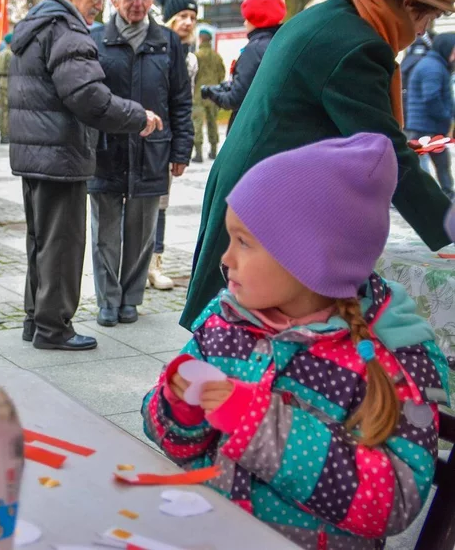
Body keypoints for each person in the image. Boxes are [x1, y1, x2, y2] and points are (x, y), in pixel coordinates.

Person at [144, 133, 448, 549]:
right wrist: (178, 408)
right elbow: (173, 444)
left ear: (310, 258)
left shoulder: (393, 358)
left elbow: (392, 501)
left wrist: (257, 423)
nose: (225, 258)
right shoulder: (227, 320)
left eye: (244, 242)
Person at [182, 0, 455, 330]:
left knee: (235, 325)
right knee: (245, 328)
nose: (424, 30)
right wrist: (448, 229)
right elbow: (386, 154)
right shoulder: (358, 45)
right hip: (269, 203)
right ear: (408, 2)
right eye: (431, 17)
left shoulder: (334, 14)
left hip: (254, 183)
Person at [9, 0, 161, 351]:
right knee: (61, 246)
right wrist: (136, 116)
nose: (97, 6)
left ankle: (36, 320)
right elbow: (88, 96)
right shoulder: (66, 28)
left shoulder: (37, 24)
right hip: (60, 154)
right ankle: (54, 328)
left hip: (37, 153)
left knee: (41, 241)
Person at [89, 0, 193, 327]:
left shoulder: (169, 42)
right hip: (106, 151)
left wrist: (182, 149)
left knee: (142, 230)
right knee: (105, 232)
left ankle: (130, 298)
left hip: (153, 151)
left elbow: (181, 99)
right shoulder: (96, 39)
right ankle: (108, 300)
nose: (137, 2)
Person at [146, 0, 198, 291]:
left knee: (161, 204)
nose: (188, 22)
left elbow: (185, 105)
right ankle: (137, 265)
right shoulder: (157, 47)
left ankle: (155, 263)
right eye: (181, 16)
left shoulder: (191, 58)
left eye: (192, 16)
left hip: (169, 139)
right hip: (146, 133)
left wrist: (182, 148)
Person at [200, 0, 285, 130]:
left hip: (253, 130)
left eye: (247, 18)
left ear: (255, 19)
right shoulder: (282, 45)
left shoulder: (254, 50)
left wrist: (211, 93)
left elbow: (236, 99)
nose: (245, 23)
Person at [406, 33, 455, 198]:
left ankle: (446, 193)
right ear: (446, 48)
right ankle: (421, 195)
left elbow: (444, 98)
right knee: (419, 165)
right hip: (425, 127)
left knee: (441, 164)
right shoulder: (432, 67)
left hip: (430, 126)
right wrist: (446, 116)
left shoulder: (437, 65)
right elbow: (431, 98)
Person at [193, 29, 225, 160]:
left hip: (198, 94)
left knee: (197, 123)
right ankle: (213, 151)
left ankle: (199, 153)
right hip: (213, 94)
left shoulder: (196, 56)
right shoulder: (217, 56)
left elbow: (192, 74)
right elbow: (222, 74)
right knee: (213, 123)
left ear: (200, 39)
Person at [0, 34, 12, 144]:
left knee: (2, 109)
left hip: (1, 81)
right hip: (8, 82)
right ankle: (6, 133)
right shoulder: (10, 54)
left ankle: (2, 131)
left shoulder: (1, 53)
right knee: (7, 110)